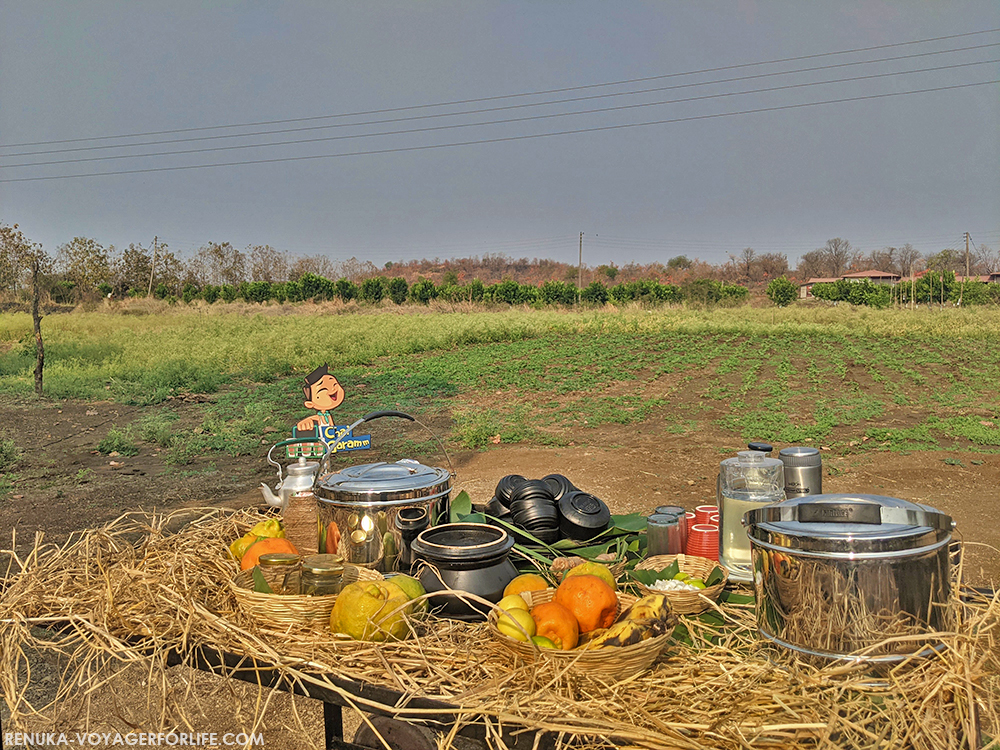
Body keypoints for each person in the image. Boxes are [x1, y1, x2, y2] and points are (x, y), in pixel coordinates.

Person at [296, 364, 346, 430]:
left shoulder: (328, 415)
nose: (333, 389)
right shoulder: (318, 418)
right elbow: (309, 421)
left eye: (335, 384)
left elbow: (332, 426)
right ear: (309, 404)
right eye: (323, 390)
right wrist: (305, 423)